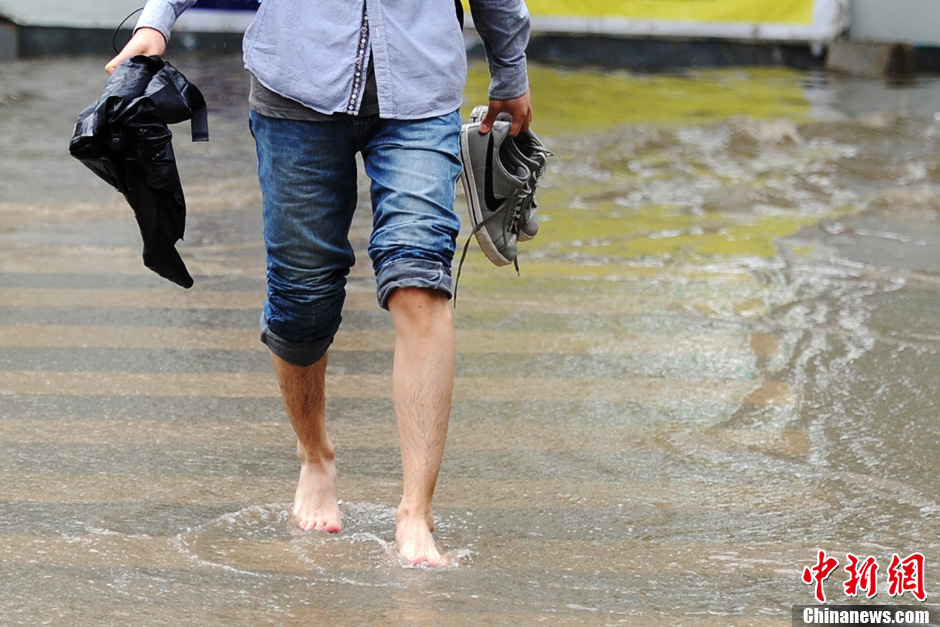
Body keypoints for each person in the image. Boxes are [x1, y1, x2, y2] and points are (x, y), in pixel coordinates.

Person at [106, 0, 533, 566]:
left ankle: (416, 511)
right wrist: (156, 21)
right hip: (295, 86)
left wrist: (510, 71)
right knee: (302, 299)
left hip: (421, 90)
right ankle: (314, 454)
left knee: (419, 281)